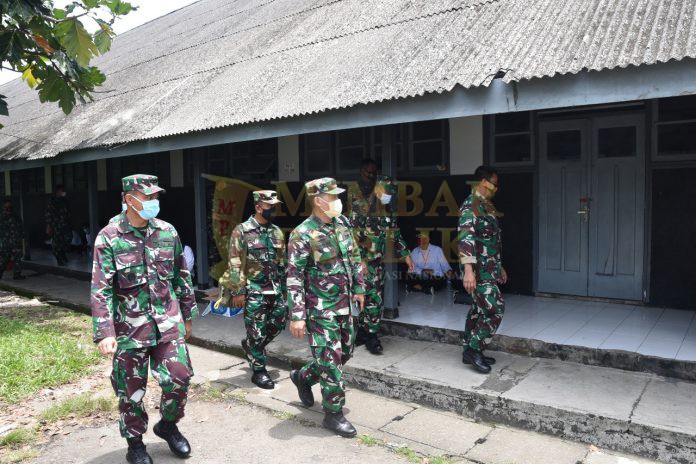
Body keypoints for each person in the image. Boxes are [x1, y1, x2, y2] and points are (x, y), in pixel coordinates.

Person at [91, 175, 197, 464]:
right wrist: (105, 332)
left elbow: (181, 276)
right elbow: (100, 289)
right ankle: (135, 444)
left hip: (167, 323)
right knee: (130, 391)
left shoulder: (167, 231)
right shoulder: (109, 236)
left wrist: (187, 315)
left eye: (155, 197)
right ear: (129, 199)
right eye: (147, 197)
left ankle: (168, 425)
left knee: (179, 377)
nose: (154, 202)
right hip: (128, 329)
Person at [287, 177, 365, 438]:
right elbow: (294, 275)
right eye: (332, 197)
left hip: (345, 304)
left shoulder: (342, 224)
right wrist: (297, 316)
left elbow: (354, 256)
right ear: (318, 200)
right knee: (331, 362)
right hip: (320, 309)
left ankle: (304, 377)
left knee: (346, 352)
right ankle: (333, 414)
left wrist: (359, 287)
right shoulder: (302, 233)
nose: (337, 201)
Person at [217, 190, 287, 389]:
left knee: (279, 323)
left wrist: (284, 289)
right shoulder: (242, 230)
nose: (273, 209)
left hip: (274, 288)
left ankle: (251, 347)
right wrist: (238, 291)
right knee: (256, 330)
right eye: (269, 206)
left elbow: (282, 262)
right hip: (253, 289)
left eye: (274, 206)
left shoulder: (276, 232)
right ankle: (259, 370)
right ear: (258, 207)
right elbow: (235, 262)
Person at [347, 160, 414, 355]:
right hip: (364, 262)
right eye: (385, 194)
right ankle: (372, 336)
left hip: (377, 261)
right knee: (371, 299)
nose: (388, 197)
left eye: (389, 194)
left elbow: (394, 232)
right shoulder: (359, 208)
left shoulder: (386, 210)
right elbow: (350, 236)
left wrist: (406, 255)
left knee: (371, 298)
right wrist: (360, 261)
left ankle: (363, 332)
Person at [457, 166, 508, 374]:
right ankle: (474, 349)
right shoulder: (471, 206)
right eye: (494, 183)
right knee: (495, 309)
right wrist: (468, 270)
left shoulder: (485, 205)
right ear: (483, 182)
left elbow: (490, 241)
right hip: (477, 271)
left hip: (489, 268)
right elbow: (465, 238)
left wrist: (499, 266)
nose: (496, 187)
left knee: (478, 310)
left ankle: (469, 349)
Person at [45, 184, 72, 266]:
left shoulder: (65, 200)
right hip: (55, 225)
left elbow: (68, 212)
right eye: (62, 190)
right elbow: (48, 214)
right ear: (57, 191)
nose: (63, 192)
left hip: (65, 224)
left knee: (69, 237)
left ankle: (63, 253)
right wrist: (49, 226)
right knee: (57, 242)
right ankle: (58, 258)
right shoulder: (52, 201)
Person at [0, 199, 25, 280]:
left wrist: (23, 238)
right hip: (6, 243)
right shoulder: (1, 217)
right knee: (4, 259)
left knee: (17, 258)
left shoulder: (16, 216)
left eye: (10, 206)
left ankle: (17, 274)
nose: (9, 208)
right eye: (7, 206)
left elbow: (21, 227)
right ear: (3, 207)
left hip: (16, 242)